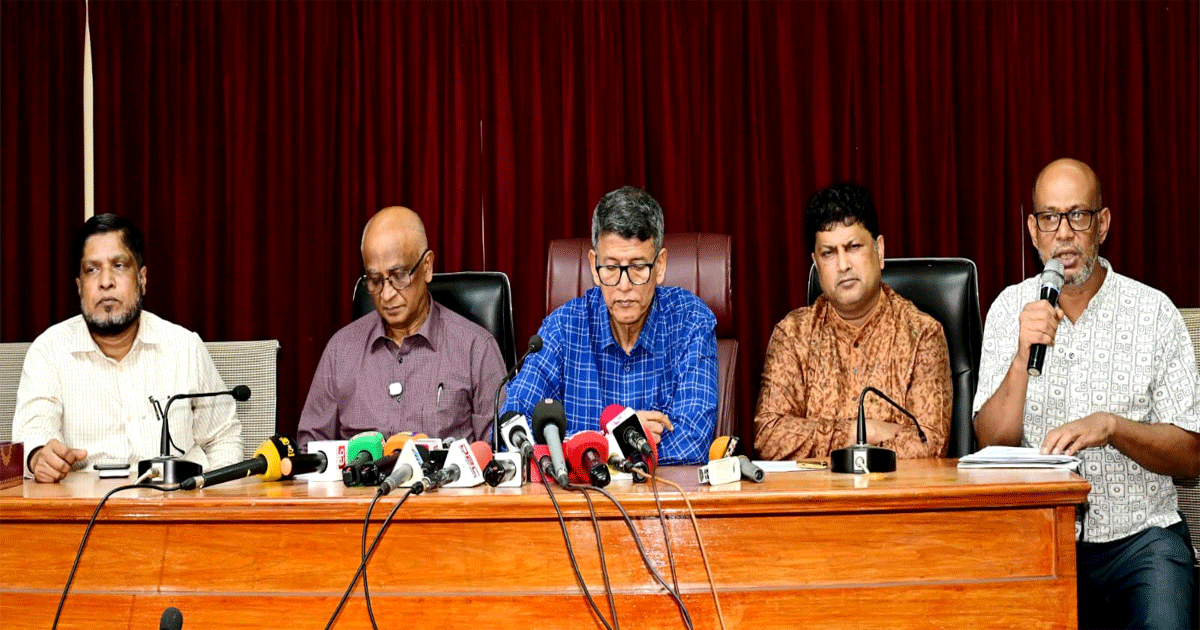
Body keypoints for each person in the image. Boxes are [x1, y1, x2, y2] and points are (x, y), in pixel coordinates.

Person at [973, 158, 1199, 629]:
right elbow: (991, 442)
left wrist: (1112, 428)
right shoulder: (1009, 310)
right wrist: (1021, 355)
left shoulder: (1154, 312)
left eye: (1078, 215)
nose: (1064, 234)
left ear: (1103, 224)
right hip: (1038, 538)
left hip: (1141, 541)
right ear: (1033, 230)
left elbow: (1191, 457)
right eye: (1050, 218)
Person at [13, 214, 242, 483]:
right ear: (79, 287)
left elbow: (223, 438)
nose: (106, 281)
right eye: (92, 270)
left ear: (142, 279)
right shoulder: (49, 351)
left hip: (177, 502)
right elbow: (33, 432)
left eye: (119, 265)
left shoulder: (184, 348)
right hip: (85, 505)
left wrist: (210, 496)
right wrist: (39, 456)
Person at [500, 186, 718, 465]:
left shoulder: (690, 322)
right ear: (594, 266)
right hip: (578, 493)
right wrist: (615, 440)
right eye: (611, 268)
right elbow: (512, 430)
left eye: (638, 267)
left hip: (663, 493)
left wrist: (581, 450)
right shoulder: (563, 328)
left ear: (660, 265)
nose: (624, 286)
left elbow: (693, 443)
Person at [754, 183, 952, 461]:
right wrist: (864, 431)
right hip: (815, 490)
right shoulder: (793, 335)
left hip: (896, 489)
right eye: (829, 253)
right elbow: (768, 437)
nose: (843, 265)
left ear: (879, 251)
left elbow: (931, 444)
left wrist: (823, 441)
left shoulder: (922, 335)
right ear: (816, 263)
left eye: (853, 247)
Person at [298, 206, 505, 448]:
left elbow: (500, 453)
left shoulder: (475, 349)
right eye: (375, 280)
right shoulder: (340, 351)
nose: (386, 295)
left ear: (427, 266)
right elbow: (310, 450)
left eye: (398, 276)